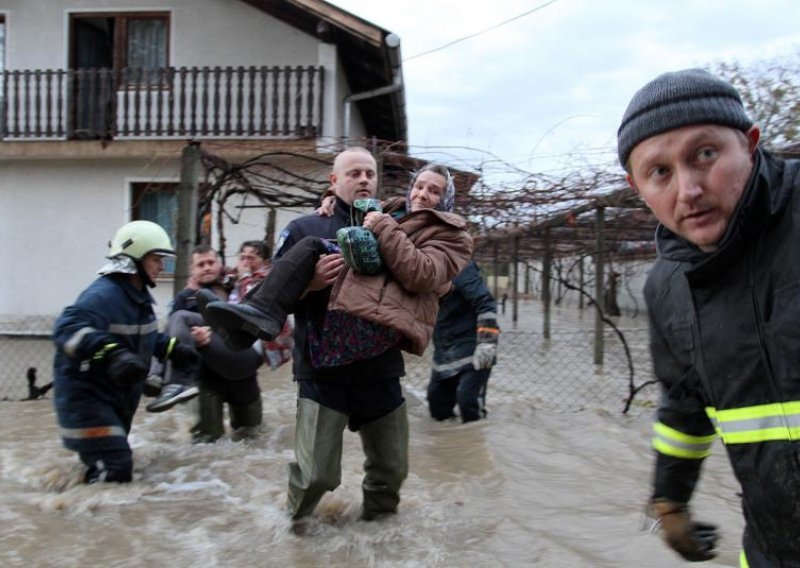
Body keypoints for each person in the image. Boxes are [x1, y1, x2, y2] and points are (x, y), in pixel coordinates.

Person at [201, 149, 473, 526]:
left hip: (380, 367)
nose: (363, 179)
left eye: (370, 173)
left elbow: (422, 274)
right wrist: (310, 284)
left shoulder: (400, 225)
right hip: (321, 369)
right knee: (317, 475)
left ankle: (379, 540)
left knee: (390, 472)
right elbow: (277, 296)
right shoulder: (305, 229)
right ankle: (292, 530)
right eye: (354, 173)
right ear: (334, 181)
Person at [618, 68, 800, 566]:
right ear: (636, 187)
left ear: (750, 143)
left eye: (705, 154)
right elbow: (684, 404)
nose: (689, 189)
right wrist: (669, 500)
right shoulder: (668, 288)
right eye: (660, 172)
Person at [52, 220, 200, 483]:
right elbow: (66, 329)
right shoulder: (103, 295)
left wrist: (176, 350)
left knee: (112, 470)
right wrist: (112, 353)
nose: (161, 266)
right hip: (87, 401)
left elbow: (143, 338)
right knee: (115, 468)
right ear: (136, 259)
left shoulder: (137, 297)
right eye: (156, 259)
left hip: (114, 400)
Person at [427, 261, 499, 423]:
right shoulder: (423, 267)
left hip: (473, 351)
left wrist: (487, 344)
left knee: (468, 401)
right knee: (436, 404)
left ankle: (476, 443)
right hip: (444, 354)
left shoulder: (460, 266)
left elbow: (486, 305)